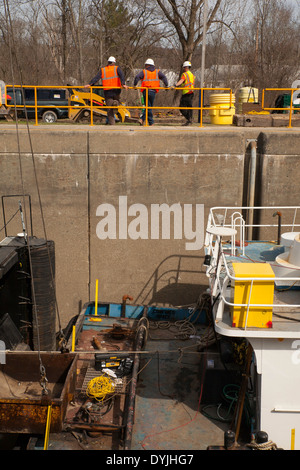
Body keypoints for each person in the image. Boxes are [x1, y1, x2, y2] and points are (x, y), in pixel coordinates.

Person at [84, 56, 128, 125]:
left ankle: (112, 124)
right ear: (114, 63)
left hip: (108, 92)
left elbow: (96, 78)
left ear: (108, 62)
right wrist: (123, 84)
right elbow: (122, 75)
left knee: (109, 109)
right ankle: (116, 102)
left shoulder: (103, 70)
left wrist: (90, 84)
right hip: (116, 90)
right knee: (117, 101)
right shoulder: (117, 68)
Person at [134, 58, 168, 126]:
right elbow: (164, 77)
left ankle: (143, 119)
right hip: (153, 91)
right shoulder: (157, 72)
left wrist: (135, 85)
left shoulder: (144, 72)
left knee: (148, 107)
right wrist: (166, 85)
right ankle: (150, 122)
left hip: (145, 91)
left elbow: (137, 77)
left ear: (147, 65)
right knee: (149, 107)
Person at [174, 61, 195, 126]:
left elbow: (182, 80)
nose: (183, 69)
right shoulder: (191, 74)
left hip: (186, 93)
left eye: (184, 67)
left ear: (185, 67)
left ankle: (189, 119)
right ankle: (190, 119)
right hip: (191, 92)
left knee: (181, 107)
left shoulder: (185, 74)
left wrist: (175, 85)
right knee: (189, 107)